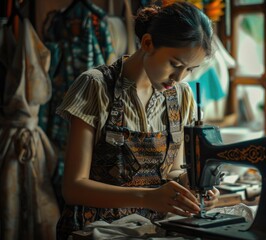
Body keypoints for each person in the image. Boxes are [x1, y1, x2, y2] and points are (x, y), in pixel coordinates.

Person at [55, 2, 220, 239]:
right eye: (175, 64)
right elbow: (73, 188)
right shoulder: (96, 86)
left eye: (190, 70)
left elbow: (172, 172)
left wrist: (193, 185)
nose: (179, 77)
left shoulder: (181, 96)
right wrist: (148, 196)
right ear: (147, 43)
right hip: (93, 231)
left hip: (148, 230)